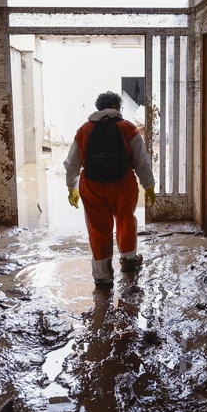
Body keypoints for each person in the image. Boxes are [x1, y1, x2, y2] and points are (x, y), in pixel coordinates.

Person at [64, 91, 156, 285]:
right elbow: (142, 161)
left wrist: (72, 187)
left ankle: (102, 275)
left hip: (91, 185)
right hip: (122, 185)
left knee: (98, 229)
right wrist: (149, 185)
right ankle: (129, 260)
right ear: (117, 107)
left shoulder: (84, 129)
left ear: (99, 107)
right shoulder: (128, 128)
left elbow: (72, 163)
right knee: (125, 221)